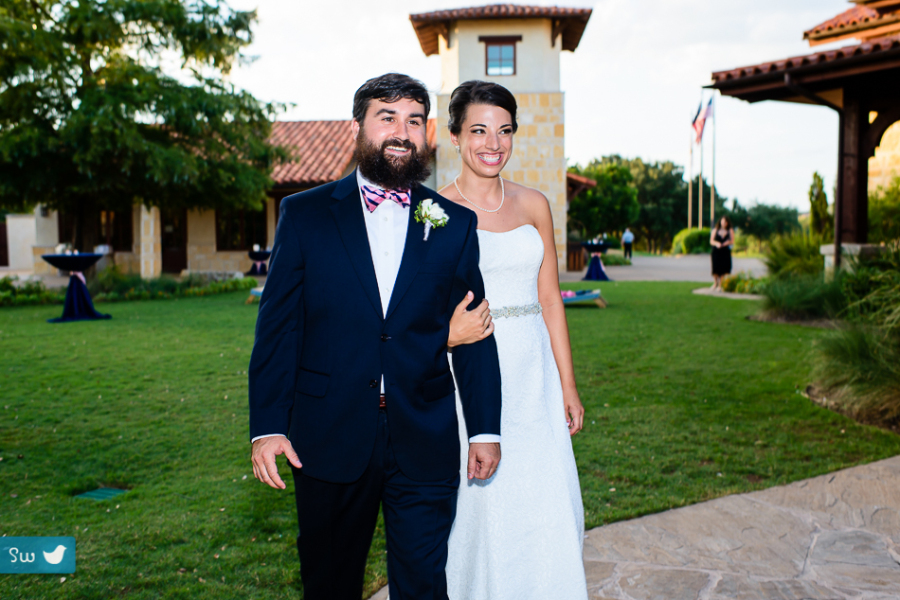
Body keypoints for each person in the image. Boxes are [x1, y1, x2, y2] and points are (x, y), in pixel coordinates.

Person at [248, 73, 502, 600]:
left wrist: (483, 430)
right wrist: (268, 426)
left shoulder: (453, 223)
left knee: (424, 584)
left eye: (413, 120)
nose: (402, 131)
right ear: (359, 127)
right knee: (330, 583)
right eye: (387, 117)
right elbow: (278, 329)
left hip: (425, 434)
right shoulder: (305, 215)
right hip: (327, 434)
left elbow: (475, 328)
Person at [439, 80, 588, 600]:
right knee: (484, 503)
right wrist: (448, 337)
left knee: (543, 494)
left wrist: (567, 385)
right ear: (455, 136)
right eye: (479, 130)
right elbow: (414, 312)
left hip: (534, 373)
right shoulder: (432, 213)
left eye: (504, 131)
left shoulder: (535, 205)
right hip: (473, 370)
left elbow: (550, 299)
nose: (492, 143)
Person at [710, 215, 734, 291]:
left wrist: (727, 242)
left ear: (727, 223)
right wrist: (717, 243)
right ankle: (715, 283)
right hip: (716, 252)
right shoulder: (715, 230)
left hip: (725, 252)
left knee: (724, 268)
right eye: (723, 221)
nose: (724, 223)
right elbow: (711, 241)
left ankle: (720, 285)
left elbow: (732, 241)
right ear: (720, 222)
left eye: (726, 222)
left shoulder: (730, 230)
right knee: (715, 268)